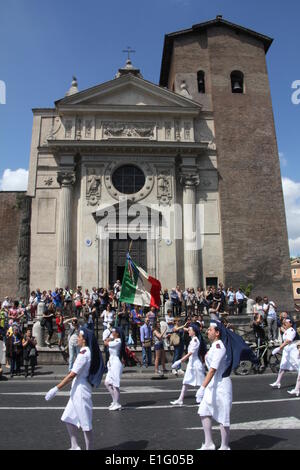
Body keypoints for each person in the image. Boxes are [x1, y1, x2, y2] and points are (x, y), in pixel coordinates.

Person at [196, 320, 257, 450]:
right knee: (204, 412)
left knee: (223, 416)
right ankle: (208, 444)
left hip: (221, 385)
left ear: (217, 333)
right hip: (212, 384)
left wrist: (202, 387)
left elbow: (213, 369)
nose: (207, 331)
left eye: (210, 330)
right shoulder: (214, 346)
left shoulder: (219, 347)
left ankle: (224, 446)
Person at [45, 327, 105, 450]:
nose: (77, 338)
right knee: (68, 417)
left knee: (85, 424)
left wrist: (56, 388)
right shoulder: (84, 351)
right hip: (77, 388)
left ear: (84, 340)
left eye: (79, 337)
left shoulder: (83, 354)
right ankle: (74, 445)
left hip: (81, 391)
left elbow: (72, 375)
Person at [170, 323, 206, 406]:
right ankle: (180, 399)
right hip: (191, 363)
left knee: (203, 383)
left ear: (194, 332)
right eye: (188, 330)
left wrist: (179, 361)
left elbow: (190, 353)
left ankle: (206, 398)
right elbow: (184, 328)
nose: (188, 331)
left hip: (196, 364)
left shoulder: (195, 340)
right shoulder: (193, 339)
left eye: (190, 330)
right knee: (186, 382)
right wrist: (185, 327)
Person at [270, 319, 299, 389]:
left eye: (287, 322)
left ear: (291, 324)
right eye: (284, 322)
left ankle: (297, 387)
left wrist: (279, 348)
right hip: (286, 350)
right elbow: (280, 324)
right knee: (282, 366)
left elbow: (288, 341)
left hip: (292, 350)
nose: (285, 323)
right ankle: (278, 382)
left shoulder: (292, 331)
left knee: (297, 365)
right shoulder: (286, 330)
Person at [104, 327, 126, 411]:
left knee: (115, 384)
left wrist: (109, 339)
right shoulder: (114, 340)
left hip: (116, 363)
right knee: (107, 383)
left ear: (117, 333)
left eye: (113, 331)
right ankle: (114, 401)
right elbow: (106, 341)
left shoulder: (118, 341)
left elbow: (106, 343)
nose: (112, 332)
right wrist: (110, 338)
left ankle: (117, 403)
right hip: (111, 362)